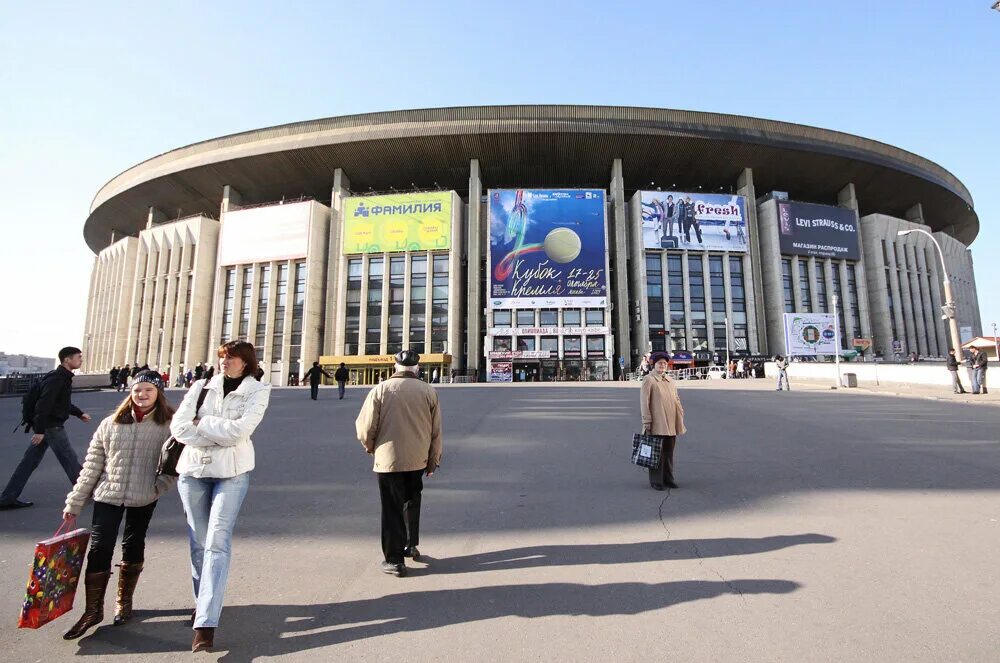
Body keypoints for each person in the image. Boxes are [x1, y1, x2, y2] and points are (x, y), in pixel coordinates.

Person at [170, 340, 271, 652]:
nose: (225, 363)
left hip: (232, 473)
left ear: (246, 362)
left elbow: (241, 432)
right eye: (223, 357)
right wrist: (215, 431)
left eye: (231, 358)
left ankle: (205, 623)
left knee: (217, 541)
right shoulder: (201, 385)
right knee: (198, 542)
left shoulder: (258, 390)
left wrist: (203, 424)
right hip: (192, 473)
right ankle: (204, 602)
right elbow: (179, 428)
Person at [61, 371, 177, 640]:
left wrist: (156, 489)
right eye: (138, 390)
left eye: (149, 390)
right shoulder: (110, 423)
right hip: (107, 495)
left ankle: (124, 601)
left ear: (159, 393)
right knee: (99, 549)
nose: (142, 395)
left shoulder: (169, 425)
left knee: (133, 545)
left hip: (143, 496)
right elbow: (91, 467)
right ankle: (92, 610)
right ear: (130, 392)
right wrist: (74, 503)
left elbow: (173, 467)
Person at [355, 349, 443, 578]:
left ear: (395, 366)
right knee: (412, 502)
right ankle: (410, 544)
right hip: (418, 460)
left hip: (388, 460)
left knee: (392, 508)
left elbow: (365, 428)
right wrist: (432, 462)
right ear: (417, 367)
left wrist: (371, 446)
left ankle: (394, 561)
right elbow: (436, 432)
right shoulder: (428, 391)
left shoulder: (380, 389)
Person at [0, 347, 92, 510]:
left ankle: (7, 498)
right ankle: (86, 492)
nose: (81, 360)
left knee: (28, 462)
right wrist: (40, 431)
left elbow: (60, 403)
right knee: (69, 459)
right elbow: (44, 405)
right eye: (78, 357)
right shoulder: (57, 379)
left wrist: (79, 413)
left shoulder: (61, 378)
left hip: (48, 426)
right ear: (67, 360)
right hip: (51, 427)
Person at [640, 352, 686, 490]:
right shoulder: (649, 379)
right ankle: (656, 481)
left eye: (665, 364)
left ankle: (668, 479)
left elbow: (676, 398)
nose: (663, 366)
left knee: (668, 453)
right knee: (656, 453)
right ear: (654, 364)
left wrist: (680, 414)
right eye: (660, 363)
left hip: (671, 422)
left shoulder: (670, 380)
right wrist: (646, 420)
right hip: (657, 422)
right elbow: (644, 402)